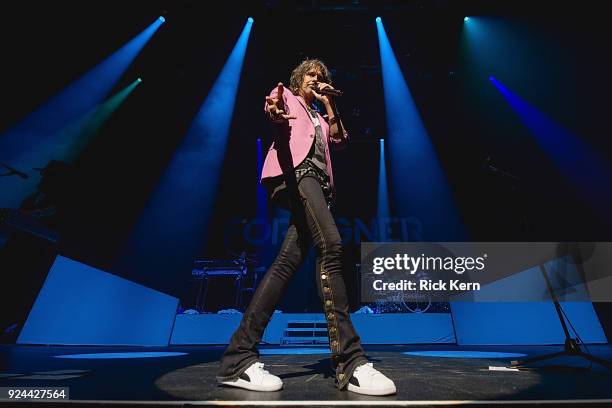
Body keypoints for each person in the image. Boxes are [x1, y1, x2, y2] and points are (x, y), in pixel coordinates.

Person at [216, 59, 396, 396]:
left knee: (287, 263)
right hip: (298, 175)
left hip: (320, 186)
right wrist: (274, 111)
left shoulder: (319, 114)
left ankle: (237, 359)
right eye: (312, 75)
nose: (317, 79)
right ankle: (350, 360)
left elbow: (341, 139)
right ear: (300, 79)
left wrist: (329, 103)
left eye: (322, 77)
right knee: (331, 246)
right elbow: (273, 108)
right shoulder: (287, 96)